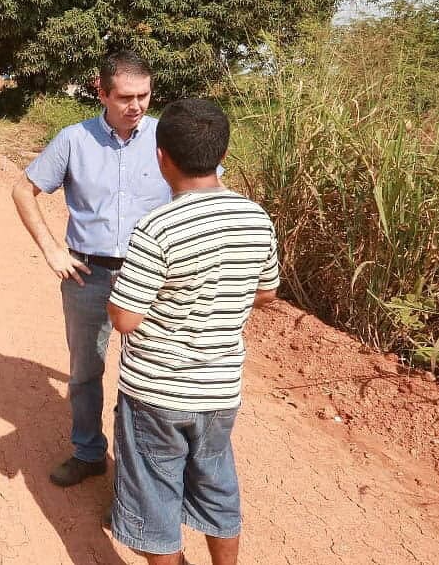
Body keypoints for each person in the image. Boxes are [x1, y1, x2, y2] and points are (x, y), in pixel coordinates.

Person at [106, 98, 280, 565]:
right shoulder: (255, 217)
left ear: (161, 157)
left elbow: (125, 318)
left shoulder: (157, 228)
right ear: (221, 152)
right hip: (220, 391)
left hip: (157, 393)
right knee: (217, 486)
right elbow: (266, 291)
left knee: (152, 503)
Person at [12, 50, 172, 487]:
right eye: (124, 97)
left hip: (151, 276)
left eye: (144, 95)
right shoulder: (73, 140)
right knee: (86, 370)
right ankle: (87, 452)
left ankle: (135, 471)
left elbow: (204, 189)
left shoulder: (166, 138)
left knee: (148, 375)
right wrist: (51, 251)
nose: (136, 106)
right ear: (100, 92)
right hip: (87, 275)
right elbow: (23, 190)